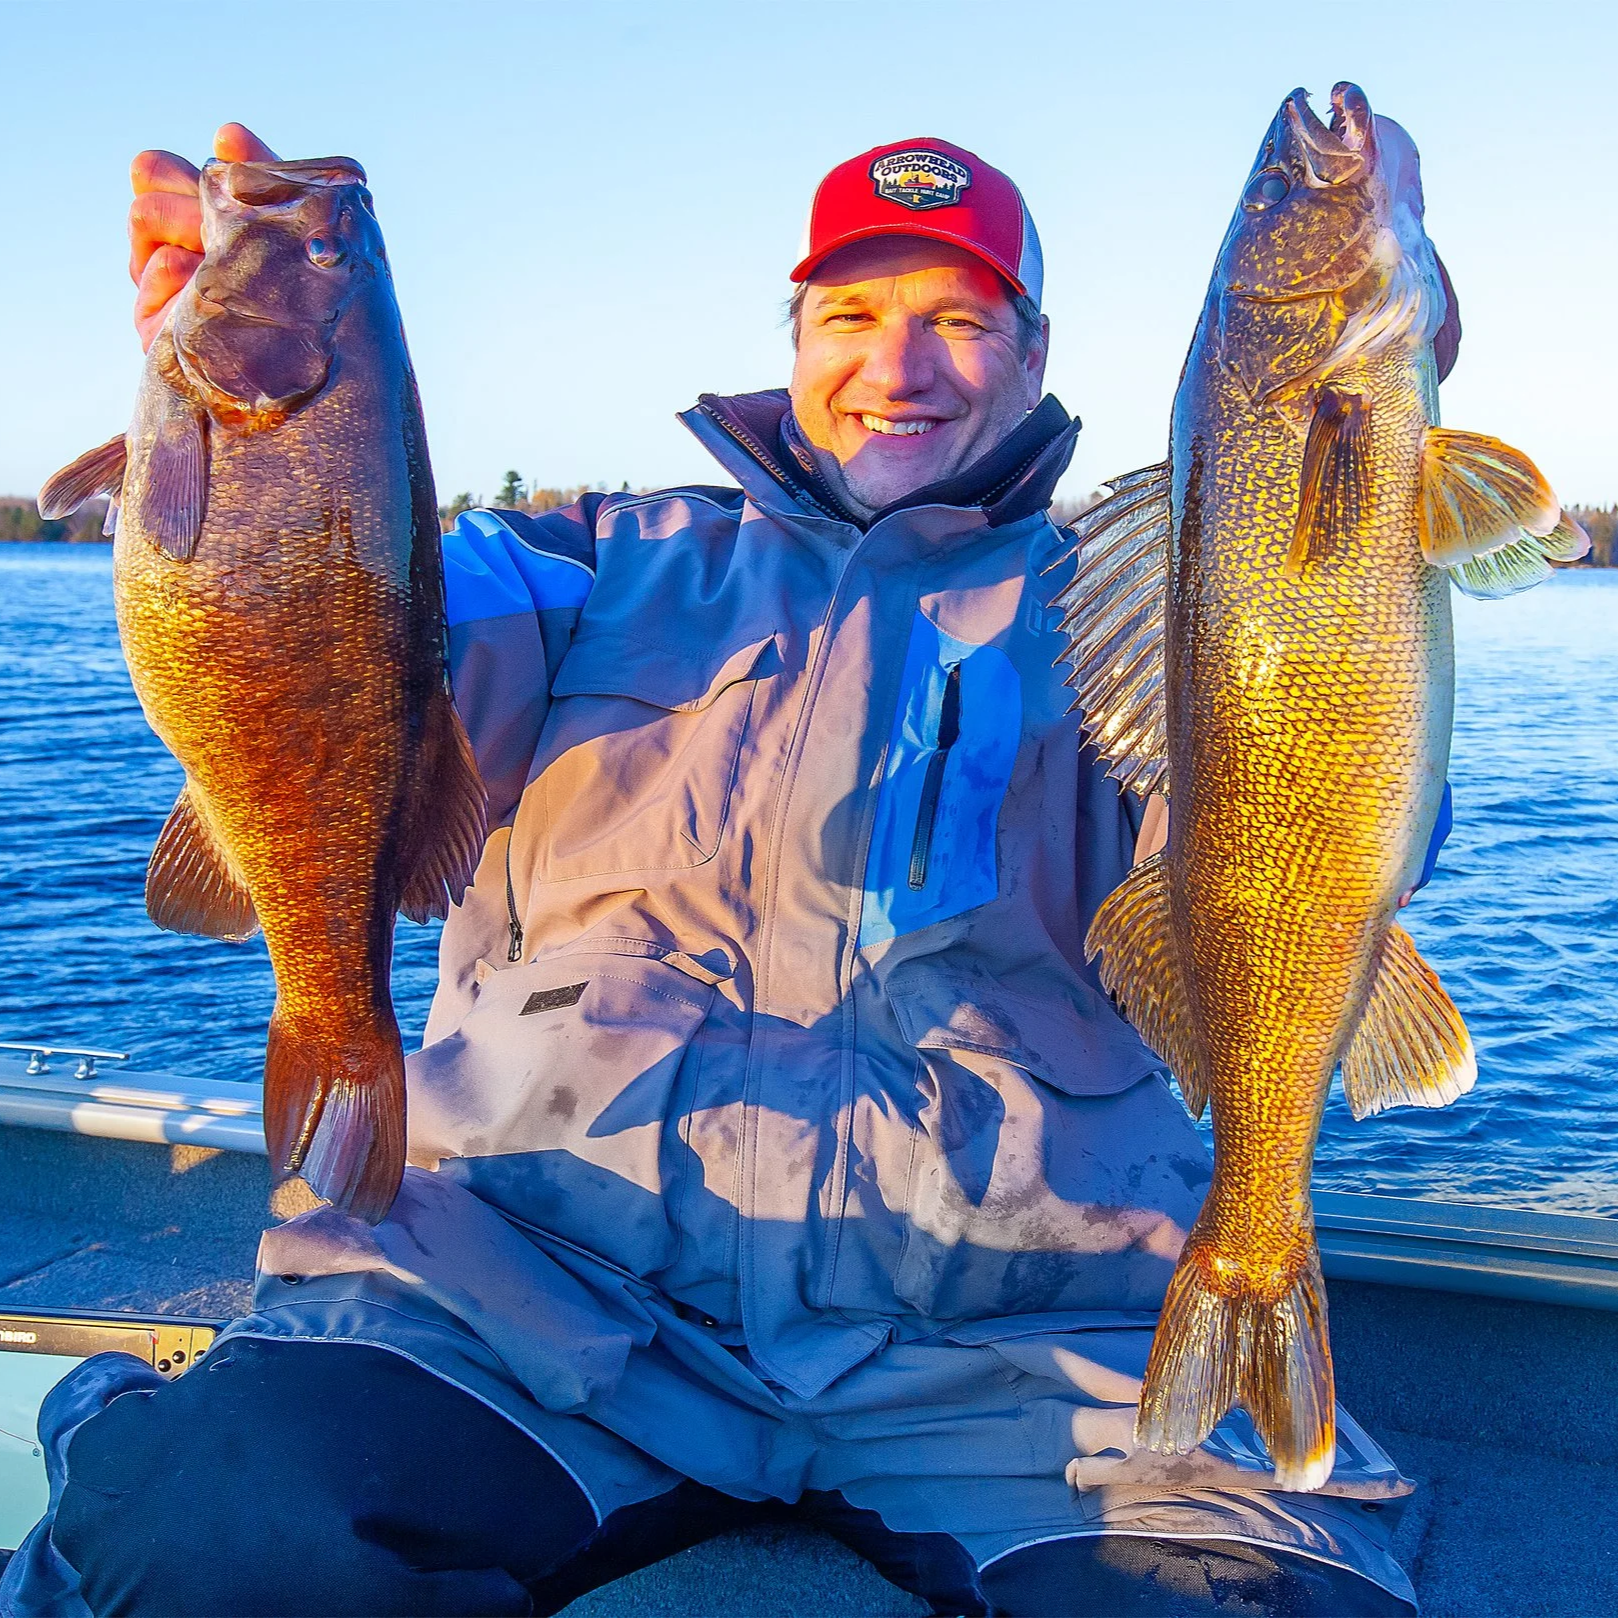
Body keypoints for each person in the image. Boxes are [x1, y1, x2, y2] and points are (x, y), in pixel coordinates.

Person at [1, 126, 1428, 1617]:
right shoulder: (574, 564)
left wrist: (1366, 498)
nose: (902, 367)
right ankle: (125, 1432)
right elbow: (334, 624)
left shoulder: (1139, 616)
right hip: (531, 1300)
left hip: (1019, 1362)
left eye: (957, 318)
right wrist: (231, 419)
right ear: (794, 335)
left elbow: (1324, 829)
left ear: (1031, 348)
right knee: (204, 1536)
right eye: (854, 316)